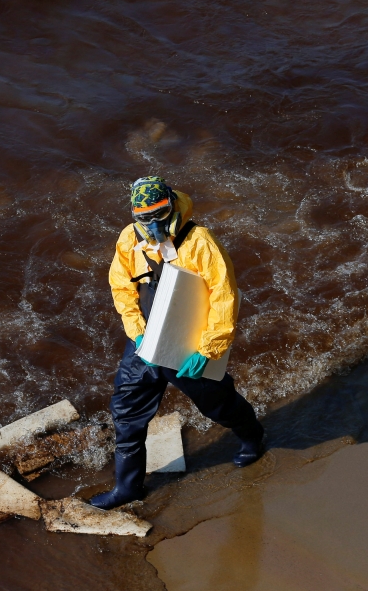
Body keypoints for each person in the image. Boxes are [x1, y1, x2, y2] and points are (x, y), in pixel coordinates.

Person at [91, 176, 265, 510]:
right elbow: (121, 284)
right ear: (135, 217)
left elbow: (224, 296)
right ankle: (127, 487)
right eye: (145, 218)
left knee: (217, 402)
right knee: (126, 408)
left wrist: (209, 349)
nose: (153, 225)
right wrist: (136, 331)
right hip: (145, 340)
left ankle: (252, 435)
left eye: (160, 214)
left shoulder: (200, 242)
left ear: (171, 205)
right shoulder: (129, 239)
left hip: (189, 343)